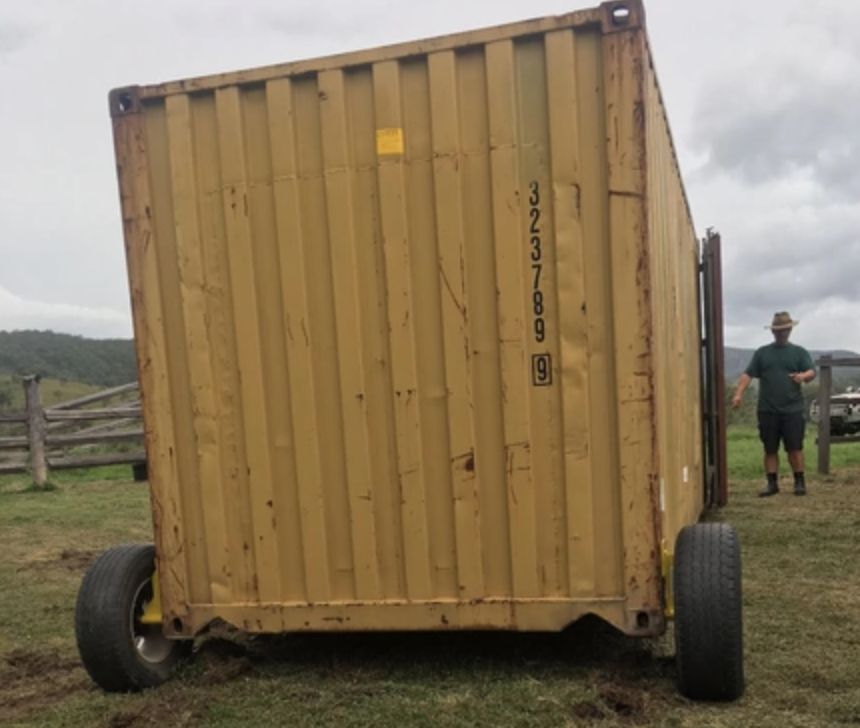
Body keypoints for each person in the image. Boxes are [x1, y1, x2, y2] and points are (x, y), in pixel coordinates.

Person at [732, 312, 816, 497]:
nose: (781, 333)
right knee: (770, 448)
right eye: (778, 331)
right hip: (767, 409)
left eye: (784, 330)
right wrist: (738, 394)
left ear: (790, 329)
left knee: (795, 447)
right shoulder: (762, 353)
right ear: (773, 332)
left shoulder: (799, 352)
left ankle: (799, 482)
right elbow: (748, 375)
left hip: (792, 409)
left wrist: (802, 376)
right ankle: (772, 484)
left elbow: (811, 371)